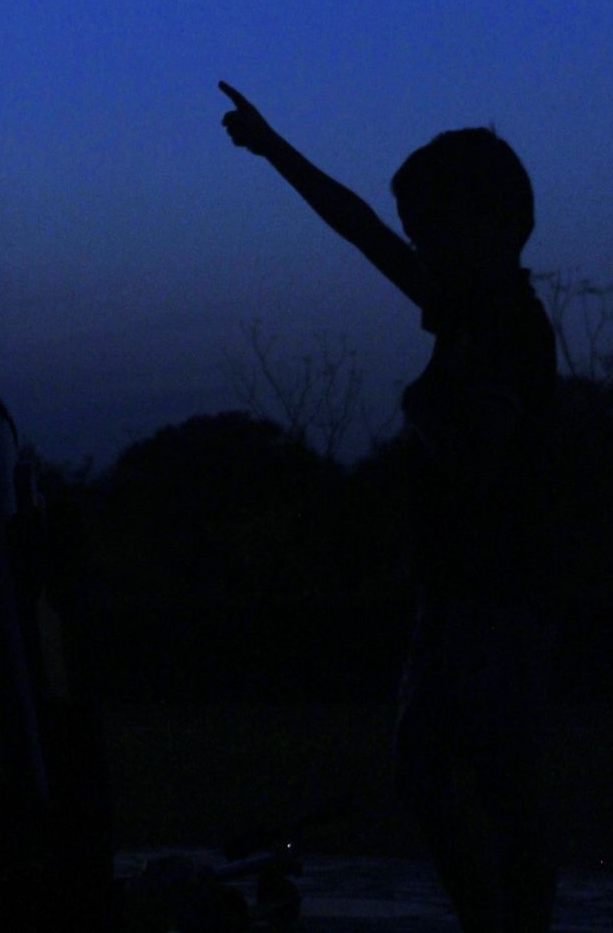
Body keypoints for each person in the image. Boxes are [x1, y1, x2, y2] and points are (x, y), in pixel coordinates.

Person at [218, 82, 557, 933]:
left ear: (492, 225)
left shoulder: (505, 327)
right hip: (468, 592)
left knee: (467, 776)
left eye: (430, 234)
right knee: (463, 775)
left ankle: (505, 923)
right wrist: (274, 147)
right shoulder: (475, 311)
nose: (417, 252)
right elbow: (360, 228)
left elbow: (480, 452)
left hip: (492, 596)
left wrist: (427, 405)